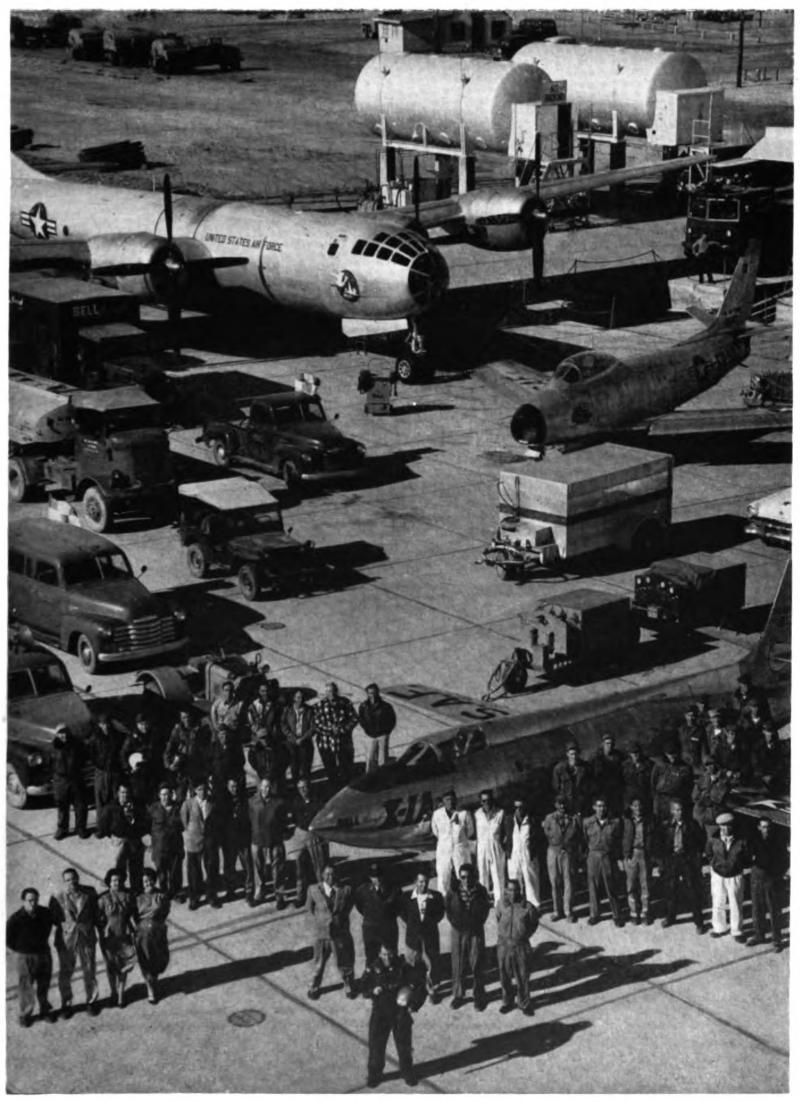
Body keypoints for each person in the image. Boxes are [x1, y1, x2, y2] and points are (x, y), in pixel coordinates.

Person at [362, 943, 426, 1089]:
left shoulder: (403, 967)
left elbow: (419, 985)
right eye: (384, 955)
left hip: (399, 1013)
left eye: (390, 955)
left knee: (404, 1047)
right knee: (376, 1047)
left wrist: (413, 1005)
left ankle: (407, 1072)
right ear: (379, 954)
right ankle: (375, 1074)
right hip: (380, 1013)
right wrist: (373, 991)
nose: (387, 958)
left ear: (395, 953)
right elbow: (363, 987)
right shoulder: (373, 968)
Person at [49, 867, 102, 1018]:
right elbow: (53, 919)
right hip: (67, 939)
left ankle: (91, 1001)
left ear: (78, 878)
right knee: (66, 973)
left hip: (86, 936)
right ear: (64, 882)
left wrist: (100, 929)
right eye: (68, 880)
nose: (71, 882)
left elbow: (96, 913)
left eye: (73, 878)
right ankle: (66, 1004)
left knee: (90, 970)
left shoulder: (90, 892)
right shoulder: (57, 896)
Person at [306, 864, 357, 1000]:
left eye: (333, 874)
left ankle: (348, 984)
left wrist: (338, 921)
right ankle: (314, 986)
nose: (330, 877)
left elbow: (348, 907)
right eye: (327, 874)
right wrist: (322, 920)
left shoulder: (346, 890)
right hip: (321, 934)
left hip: (339, 933)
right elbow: (310, 908)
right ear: (322, 875)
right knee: (318, 962)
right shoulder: (313, 890)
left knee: (344, 961)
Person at [7, 888, 56, 1027]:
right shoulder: (15, 919)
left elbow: (50, 925)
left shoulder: (45, 913)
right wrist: (23, 949)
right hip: (26, 957)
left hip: (44, 954)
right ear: (23, 901)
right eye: (29, 900)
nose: (33, 903)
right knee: (26, 986)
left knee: (44, 984)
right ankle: (25, 1014)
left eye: (35, 900)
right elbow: (8, 940)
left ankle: (45, 1011)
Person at [445, 864, 490, 1010]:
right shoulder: (453, 891)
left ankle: (479, 996)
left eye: (469, 877)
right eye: (463, 877)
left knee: (477, 963)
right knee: (458, 965)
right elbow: (448, 909)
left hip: (475, 931)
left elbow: (485, 909)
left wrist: (476, 924)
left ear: (474, 876)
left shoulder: (481, 891)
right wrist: (456, 924)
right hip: (458, 932)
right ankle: (458, 995)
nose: (466, 880)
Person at [658, 798, 705, 934]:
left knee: (692, 890)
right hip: (672, 860)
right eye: (677, 810)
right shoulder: (665, 826)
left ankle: (698, 921)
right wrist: (663, 862)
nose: (680, 812)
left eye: (682, 810)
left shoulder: (691, 825)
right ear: (671, 811)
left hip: (687, 860)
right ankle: (670, 917)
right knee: (671, 889)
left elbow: (700, 843)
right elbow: (660, 844)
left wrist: (696, 861)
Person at [495, 879, 538, 1014]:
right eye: (510, 890)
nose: (513, 893)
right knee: (505, 976)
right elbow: (498, 918)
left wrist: (522, 935)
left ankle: (524, 1003)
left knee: (523, 976)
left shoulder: (528, 907)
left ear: (520, 891)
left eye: (516, 890)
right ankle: (507, 1001)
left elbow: (533, 924)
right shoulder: (501, 904)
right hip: (504, 946)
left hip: (521, 946)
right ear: (505, 891)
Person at [96, 782, 148, 894]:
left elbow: (145, 821)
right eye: (123, 792)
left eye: (127, 793)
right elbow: (102, 826)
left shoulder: (137, 805)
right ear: (118, 793)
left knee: (136, 867)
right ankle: (119, 890)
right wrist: (112, 837)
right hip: (119, 841)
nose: (125, 795)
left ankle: (136, 890)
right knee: (118, 867)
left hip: (135, 840)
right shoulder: (110, 808)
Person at [98, 868, 137, 1008]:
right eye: (114, 880)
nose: (117, 883)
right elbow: (98, 918)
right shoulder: (103, 898)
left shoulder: (129, 896)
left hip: (124, 935)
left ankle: (120, 994)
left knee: (124, 965)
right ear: (109, 882)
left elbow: (134, 914)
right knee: (110, 966)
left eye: (119, 880)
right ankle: (113, 992)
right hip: (109, 936)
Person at [748, 816, 789, 952]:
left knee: (773, 910)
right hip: (757, 877)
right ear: (759, 827)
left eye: (769, 827)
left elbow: (784, 859)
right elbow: (747, 857)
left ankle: (776, 940)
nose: (767, 830)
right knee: (757, 909)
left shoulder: (777, 842)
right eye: (764, 827)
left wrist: (778, 874)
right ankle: (759, 935)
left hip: (771, 878)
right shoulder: (753, 840)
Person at [403, 871, 445, 1003]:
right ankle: (415, 991)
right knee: (413, 963)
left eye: (426, 881)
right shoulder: (406, 897)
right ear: (416, 882)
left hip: (430, 935)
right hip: (413, 937)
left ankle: (432, 988)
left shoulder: (436, 897)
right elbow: (404, 914)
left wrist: (428, 924)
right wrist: (414, 925)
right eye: (420, 881)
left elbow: (440, 914)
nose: (423, 884)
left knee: (431, 963)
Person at [706, 812, 748, 942]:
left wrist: (737, 866)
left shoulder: (741, 841)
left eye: (727, 826)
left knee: (735, 903)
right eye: (722, 826)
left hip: (735, 876)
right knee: (718, 901)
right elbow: (708, 853)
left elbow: (746, 857)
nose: (724, 829)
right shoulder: (713, 839)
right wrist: (715, 865)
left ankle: (736, 931)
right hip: (718, 876)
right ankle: (719, 928)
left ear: (732, 826)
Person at [249, 777, 290, 909]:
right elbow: (249, 820)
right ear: (260, 787)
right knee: (258, 868)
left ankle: (279, 895)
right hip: (257, 840)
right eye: (264, 786)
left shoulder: (278, 802)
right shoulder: (252, 802)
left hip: (274, 840)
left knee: (278, 869)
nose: (266, 789)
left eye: (268, 787)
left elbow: (283, 821)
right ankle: (259, 894)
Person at [181, 779, 221, 910]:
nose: (201, 792)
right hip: (193, 840)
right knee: (193, 871)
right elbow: (184, 821)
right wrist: (191, 833)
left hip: (210, 840)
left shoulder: (212, 803)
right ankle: (194, 897)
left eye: (203, 789)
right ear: (194, 791)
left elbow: (216, 821)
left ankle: (212, 896)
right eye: (198, 790)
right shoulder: (188, 804)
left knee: (211, 869)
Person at [583, 797, 624, 926]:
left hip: (607, 856)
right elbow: (584, 840)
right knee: (593, 886)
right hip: (593, 855)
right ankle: (594, 914)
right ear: (594, 807)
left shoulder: (614, 823)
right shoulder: (587, 822)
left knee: (611, 886)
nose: (601, 809)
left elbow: (617, 841)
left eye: (603, 806)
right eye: (598, 806)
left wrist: (617, 858)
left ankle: (616, 915)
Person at [290, 777, 329, 908]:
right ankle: (300, 896)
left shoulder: (317, 801)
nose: (303, 790)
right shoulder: (296, 802)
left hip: (314, 833)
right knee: (299, 865)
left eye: (305, 787)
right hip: (300, 833)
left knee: (319, 865)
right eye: (300, 788)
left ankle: (323, 894)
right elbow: (295, 819)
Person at [354, 863, 403, 967]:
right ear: (370, 878)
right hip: (371, 928)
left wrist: (387, 916)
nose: (377, 879)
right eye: (374, 877)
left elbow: (399, 907)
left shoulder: (394, 890)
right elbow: (359, 906)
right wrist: (371, 916)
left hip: (389, 927)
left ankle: (392, 978)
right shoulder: (362, 891)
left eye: (379, 876)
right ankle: (373, 979)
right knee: (371, 955)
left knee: (390, 954)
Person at [542, 796, 581, 922]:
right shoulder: (549, 818)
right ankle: (557, 911)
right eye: (559, 804)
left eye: (564, 804)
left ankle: (568, 911)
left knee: (568, 881)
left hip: (568, 853)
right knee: (554, 882)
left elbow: (578, 836)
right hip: (553, 851)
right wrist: (555, 844)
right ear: (555, 805)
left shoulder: (574, 819)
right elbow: (546, 833)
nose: (562, 807)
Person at [135, 868, 170, 1004]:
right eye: (145, 881)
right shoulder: (137, 898)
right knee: (146, 961)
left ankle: (154, 982)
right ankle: (150, 990)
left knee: (159, 960)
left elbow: (165, 911)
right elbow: (134, 916)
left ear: (154, 880)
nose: (147, 883)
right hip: (143, 934)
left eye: (150, 880)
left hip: (158, 931)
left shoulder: (161, 896)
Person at [314, 682, 358, 789]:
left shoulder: (345, 702)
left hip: (343, 741)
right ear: (325, 692)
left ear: (336, 691)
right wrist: (330, 730)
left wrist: (343, 729)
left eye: (333, 691)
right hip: (326, 743)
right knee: (330, 768)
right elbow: (316, 723)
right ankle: (333, 787)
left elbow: (354, 718)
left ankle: (347, 787)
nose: (331, 694)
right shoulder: (319, 706)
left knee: (346, 766)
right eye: (329, 691)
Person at [218, 776, 255, 904]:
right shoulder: (222, 802)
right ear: (227, 787)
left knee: (248, 866)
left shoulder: (245, 800)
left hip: (243, 838)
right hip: (229, 840)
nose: (234, 789)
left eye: (236, 786)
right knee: (229, 867)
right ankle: (230, 891)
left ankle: (249, 891)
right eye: (232, 786)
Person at [430, 790, 474, 896]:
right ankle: (444, 902)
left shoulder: (464, 813)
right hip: (444, 849)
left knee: (464, 875)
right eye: (447, 799)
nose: (450, 802)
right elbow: (435, 831)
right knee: (443, 876)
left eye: (452, 799)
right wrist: (445, 841)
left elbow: (470, 831)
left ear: (456, 800)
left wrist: (459, 839)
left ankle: (468, 898)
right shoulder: (437, 815)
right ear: (443, 801)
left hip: (460, 848)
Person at [51, 723, 89, 840]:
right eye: (60, 733)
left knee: (80, 805)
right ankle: (62, 828)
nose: (63, 735)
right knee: (62, 805)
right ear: (57, 735)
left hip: (76, 778)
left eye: (65, 732)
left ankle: (81, 828)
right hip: (61, 780)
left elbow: (84, 757)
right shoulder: (54, 747)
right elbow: (49, 763)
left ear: (69, 732)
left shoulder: (77, 744)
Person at [163, 708, 208, 802]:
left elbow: (206, 748)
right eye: (184, 717)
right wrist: (169, 764)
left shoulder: (199, 729)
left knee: (196, 796)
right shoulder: (177, 730)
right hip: (182, 767)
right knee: (180, 795)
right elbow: (169, 749)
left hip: (196, 767)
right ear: (180, 718)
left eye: (188, 717)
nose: (186, 720)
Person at [621, 798, 655, 925]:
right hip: (632, 854)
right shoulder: (626, 821)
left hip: (644, 853)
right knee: (631, 884)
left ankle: (646, 912)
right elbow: (621, 838)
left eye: (639, 806)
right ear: (630, 807)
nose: (638, 809)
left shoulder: (649, 821)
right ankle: (634, 912)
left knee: (645, 883)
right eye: (635, 806)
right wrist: (624, 855)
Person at [149, 783, 184, 900]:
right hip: (160, 848)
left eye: (168, 794)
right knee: (162, 873)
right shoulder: (153, 809)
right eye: (163, 795)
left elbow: (183, 824)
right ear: (159, 796)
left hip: (175, 846)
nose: (165, 797)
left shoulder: (178, 808)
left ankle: (176, 892)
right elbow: (146, 825)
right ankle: (164, 893)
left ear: (171, 795)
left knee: (175, 872)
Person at [87, 710, 124, 817]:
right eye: (103, 724)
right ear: (99, 725)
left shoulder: (117, 736)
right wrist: (99, 764)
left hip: (114, 771)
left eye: (107, 724)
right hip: (101, 772)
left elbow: (121, 752)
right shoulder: (95, 738)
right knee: (100, 797)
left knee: (115, 796)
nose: (105, 726)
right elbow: (91, 754)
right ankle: (102, 824)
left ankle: (115, 823)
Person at [505, 797, 540, 908]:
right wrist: (508, 852)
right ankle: (516, 906)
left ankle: (534, 906)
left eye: (521, 807)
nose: (519, 810)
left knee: (531, 881)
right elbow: (503, 837)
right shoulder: (509, 820)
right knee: (515, 882)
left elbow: (538, 838)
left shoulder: (532, 821)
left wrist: (533, 853)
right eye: (516, 808)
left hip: (528, 855)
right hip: (514, 856)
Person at [357, 683, 397, 773]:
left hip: (382, 735)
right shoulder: (363, 706)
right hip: (370, 735)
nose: (372, 695)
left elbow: (392, 719)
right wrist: (367, 730)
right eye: (370, 693)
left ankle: (383, 775)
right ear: (367, 694)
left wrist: (387, 732)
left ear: (377, 693)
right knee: (370, 758)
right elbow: (361, 719)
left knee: (383, 758)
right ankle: (369, 775)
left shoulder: (386, 706)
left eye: (374, 693)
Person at [475, 790, 506, 901]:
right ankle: (483, 901)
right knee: (483, 876)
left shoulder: (500, 813)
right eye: (483, 801)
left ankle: (499, 902)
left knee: (498, 876)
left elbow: (504, 833)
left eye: (488, 800)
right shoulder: (477, 814)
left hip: (495, 846)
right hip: (482, 848)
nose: (486, 803)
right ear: (480, 802)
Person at [651, 741, 692, 822]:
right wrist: (655, 797)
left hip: (675, 799)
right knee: (658, 822)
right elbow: (653, 782)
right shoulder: (659, 765)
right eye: (669, 754)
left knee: (673, 822)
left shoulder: (685, 768)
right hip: (660, 799)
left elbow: (688, 787)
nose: (672, 757)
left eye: (674, 754)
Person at [281, 689, 315, 785]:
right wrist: (292, 738)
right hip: (292, 744)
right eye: (298, 697)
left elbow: (313, 727)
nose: (300, 699)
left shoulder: (309, 710)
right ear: (294, 698)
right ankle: (296, 789)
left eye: (302, 697)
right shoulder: (288, 710)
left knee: (305, 768)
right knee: (294, 768)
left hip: (305, 743)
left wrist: (303, 738)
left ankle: (306, 790)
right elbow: (283, 725)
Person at [692, 761, 731, 842]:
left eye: (712, 765)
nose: (710, 767)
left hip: (712, 817)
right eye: (707, 765)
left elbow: (716, 798)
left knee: (712, 840)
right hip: (700, 815)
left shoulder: (723, 781)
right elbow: (694, 797)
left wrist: (712, 784)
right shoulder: (702, 779)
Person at [552, 742, 590, 816]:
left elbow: (589, 785)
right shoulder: (559, 768)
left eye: (576, 754)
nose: (574, 757)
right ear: (567, 754)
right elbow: (556, 787)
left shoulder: (585, 767)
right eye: (572, 754)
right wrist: (561, 800)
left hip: (580, 803)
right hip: (565, 803)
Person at [592, 734, 625, 816]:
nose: (609, 746)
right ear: (603, 744)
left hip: (616, 790)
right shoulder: (596, 758)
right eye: (607, 743)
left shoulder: (619, 756)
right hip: (601, 790)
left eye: (611, 743)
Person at [677, 705, 708, 772]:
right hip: (683, 760)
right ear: (685, 716)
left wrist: (704, 763)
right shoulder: (681, 730)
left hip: (696, 761)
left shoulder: (700, 730)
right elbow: (678, 745)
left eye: (693, 715)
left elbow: (704, 747)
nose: (691, 718)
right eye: (689, 715)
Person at [622, 743, 652, 810]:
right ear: (629, 754)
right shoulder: (624, 765)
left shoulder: (648, 765)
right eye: (632, 753)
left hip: (644, 795)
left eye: (636, 752)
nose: (635, 755)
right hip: (629, 796)